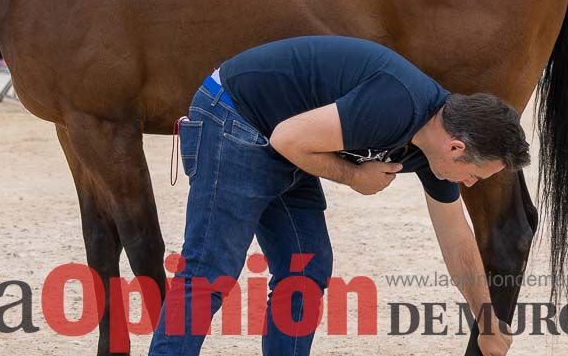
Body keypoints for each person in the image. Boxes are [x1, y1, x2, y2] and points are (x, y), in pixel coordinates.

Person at [151, 35, 529, 356]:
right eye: (475, 175)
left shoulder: (437, 141)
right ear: (456, 149)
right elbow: (288, 138)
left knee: (307, 268)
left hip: (288, 137)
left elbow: (456, 238)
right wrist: (353, 176)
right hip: (234, 114)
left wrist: (486, 317)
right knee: (209, 271)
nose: (470, 185)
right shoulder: (398, 105)